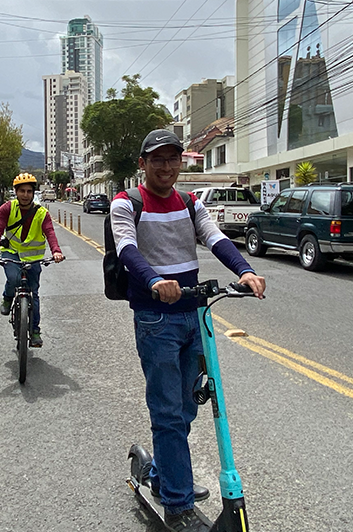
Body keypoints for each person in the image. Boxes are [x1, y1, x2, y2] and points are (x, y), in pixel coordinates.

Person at [110, 130, 266, 532]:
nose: (166, 167)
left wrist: (245, 270)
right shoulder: (127, 203)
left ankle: (165, 474)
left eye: (172, 159)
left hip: (195, 317)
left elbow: (215, 239)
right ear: (142, 164)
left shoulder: (191, 202)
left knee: (188, 405)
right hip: (155, 318)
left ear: (181, 163)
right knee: (166, 411)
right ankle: (177, 505)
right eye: (157, 159)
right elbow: (127, 249)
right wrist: (153, 282)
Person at [0, 173, 64, 348]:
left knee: (33, 294)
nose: (25, 194)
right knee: (13, 279)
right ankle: (7, 297)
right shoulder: (6, 209)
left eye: (29, 191)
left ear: (33, 193)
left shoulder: (41, 213)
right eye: (22, 191)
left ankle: (35, 331)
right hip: (11, 253)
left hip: (33, 258)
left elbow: (50, 233)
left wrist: (56, 251)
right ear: (16, 191)